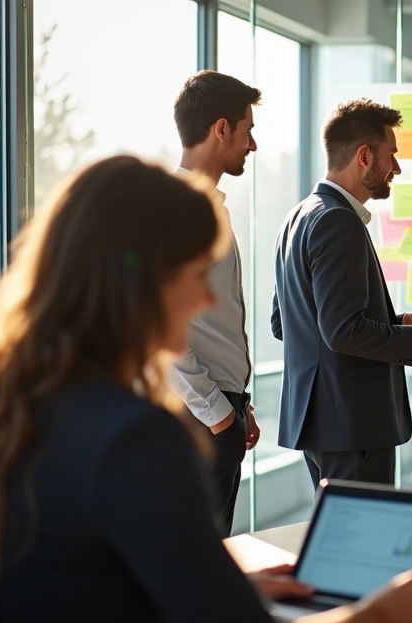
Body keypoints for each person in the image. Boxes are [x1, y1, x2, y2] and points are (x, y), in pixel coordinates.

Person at [0, 156, 412, 623]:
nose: (207, 301)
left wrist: (224, 588)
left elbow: (69, 586)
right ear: (141, 281)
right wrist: (375, 619)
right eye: (198, 275)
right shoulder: (136, 439)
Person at [272, 99, 412, 489]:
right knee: (360, 539)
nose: (396, 168)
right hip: (352, 424)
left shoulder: (298, 217)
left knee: (340, 533)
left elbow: (287, 323)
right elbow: (342, 331)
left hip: (322, 422)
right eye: (391, 155)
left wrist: (398, 323)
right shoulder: (337, 221)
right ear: (364, 156)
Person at [169, 70, 262, 536]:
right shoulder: (181, 210)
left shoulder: (207, 208)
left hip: (217, 412)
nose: (253, 145)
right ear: (221, 128)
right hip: (199, 420)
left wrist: (236, 405)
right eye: (248, 130)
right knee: (198, 566)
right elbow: (157, 330)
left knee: (211, 554)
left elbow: (214, 321)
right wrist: (218, 413)